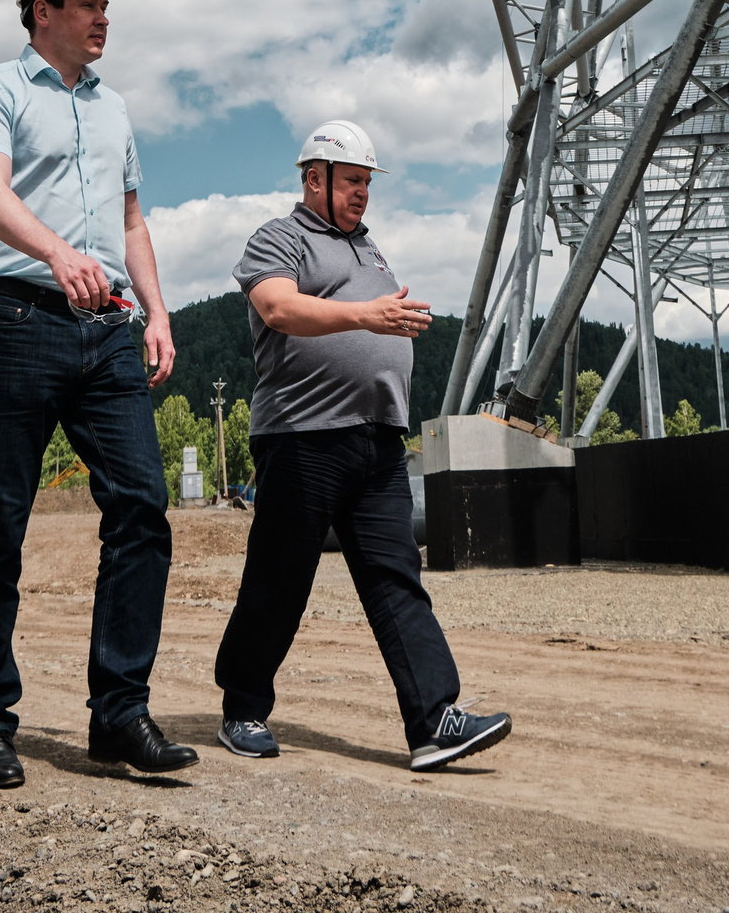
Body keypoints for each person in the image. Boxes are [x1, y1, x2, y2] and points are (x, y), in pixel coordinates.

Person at [0, 0, 188, 789]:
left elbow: (130, 221)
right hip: (16, 320)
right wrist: (55, 255)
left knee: (142, 506)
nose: (102, 17)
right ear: (41, 11)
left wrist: (156, 311)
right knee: (1, 527)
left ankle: (119, 714)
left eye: (105, 3)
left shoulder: (115, 110)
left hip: (108, 329)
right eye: (86, 2)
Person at [214, 121, 512, 771]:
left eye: (367, 184)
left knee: (395, 578)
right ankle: (242, 708)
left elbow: (372, 323)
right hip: (301, 438)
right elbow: (278, 310)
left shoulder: (371, 251)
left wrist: (394, 328)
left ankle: (434, 721)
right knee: (280, 579)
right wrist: (366, 318)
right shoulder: (279, 238)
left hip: (378, 442)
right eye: (351, 181)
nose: (361, 195)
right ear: (313, 178)